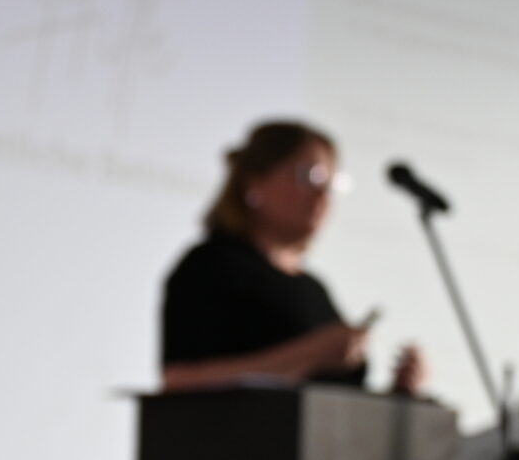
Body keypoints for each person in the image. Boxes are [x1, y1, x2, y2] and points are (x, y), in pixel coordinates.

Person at [159, 120, 427, 396]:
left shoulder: (312, 288)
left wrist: (398, 393)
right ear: (255, 182)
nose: (322, 194)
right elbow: (179, 381)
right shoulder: (210, 267)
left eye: (331, 183)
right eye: (309, 176)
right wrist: (308, 355)